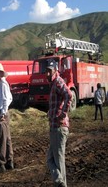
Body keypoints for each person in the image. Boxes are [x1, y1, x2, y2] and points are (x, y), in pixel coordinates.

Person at [46, 59, 72, 187]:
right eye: (46, 71)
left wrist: (62, 114)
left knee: (58, 159)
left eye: (50, 71)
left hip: (59, 127)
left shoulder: (58, 82)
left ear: (55, 70)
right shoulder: (53, 84)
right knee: (50, 159)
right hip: (54, 127)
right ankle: (59, 182)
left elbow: (69, 95)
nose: (47, 74)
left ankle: (61, 184)